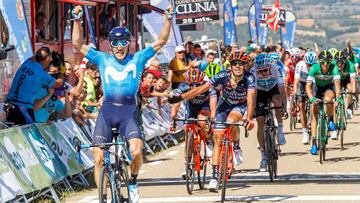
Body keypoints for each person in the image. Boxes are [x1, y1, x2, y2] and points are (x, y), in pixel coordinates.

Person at [71, 5, 173, 203]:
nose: (119, 46)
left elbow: (161, 41)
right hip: (107, 112)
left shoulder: (138, 58)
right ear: (110, 44)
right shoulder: (102, 58)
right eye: (115, 42)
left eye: (123, 42)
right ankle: (103, 196)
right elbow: (76, 44)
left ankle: (133, 181)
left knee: (136, 151)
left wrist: (168, 18)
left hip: (128, 112)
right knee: (98, 157)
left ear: (129, 43)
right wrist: (76, 19)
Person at [168, 51, 256, 191]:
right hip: (224, 104)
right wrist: (180, 97)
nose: (238, 66)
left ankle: (236, 146)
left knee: (232, 121)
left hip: (240, 105)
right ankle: (214, 178)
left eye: (241, 64)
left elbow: (251, 99)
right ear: (231, 66)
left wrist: (249, 118)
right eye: (235, 64)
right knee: (218, 137)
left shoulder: (249, 78)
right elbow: (201, 89)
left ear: (245, 66)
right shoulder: (222, 75)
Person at [5, 46, 62, 125]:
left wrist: (49, 54)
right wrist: (62, 72)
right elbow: (58, 84)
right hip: (23, 108)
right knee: (30, 133)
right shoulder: (42, 75)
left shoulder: (27, 63)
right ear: (48, 59)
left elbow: (37, 57)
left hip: (11, 106)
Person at [251, 53, 287, 172]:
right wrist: (253, 110)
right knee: (260, 121)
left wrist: (284, 107)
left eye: (265, 70)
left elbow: (282, 91)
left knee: (277, 101)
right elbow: (253, 93)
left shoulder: (276, 69)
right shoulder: (253, 71)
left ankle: (280, 131)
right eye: (260, 71)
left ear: (269, 66)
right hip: (260, 93)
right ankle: (263, 157)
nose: (263, 73)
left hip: (273, 89)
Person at [306, 50, 341, 155]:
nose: (325, 66)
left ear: (330, 62)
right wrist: (312, 98)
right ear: (319, 62)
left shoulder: (334, 68)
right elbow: (308, 86)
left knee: (328, 99)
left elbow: (337, 85)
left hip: (329, 88)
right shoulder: (314, 68)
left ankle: (330, 119)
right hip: (318, 89)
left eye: (327, 63)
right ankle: (313, 143)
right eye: (322, 63)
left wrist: (338, 99)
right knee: (313, 111)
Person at [293, 51, 317, 144]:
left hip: (313, 83)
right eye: (308, 64)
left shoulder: (317, 66)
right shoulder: (300, 65)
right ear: (305, 62)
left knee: (314, 105)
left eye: (312, 64)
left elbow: (315, 84)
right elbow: (296, 81)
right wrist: (295, 91)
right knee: (301, 107)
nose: (310, 66)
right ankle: (305, 133)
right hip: (302, 83)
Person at [334, 51, 356, 119]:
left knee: (351, 89)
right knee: (336, 91)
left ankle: (349, 108)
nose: (340, 65)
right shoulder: (333, 65)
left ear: (345, 61)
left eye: (341, 63)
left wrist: (353, 91)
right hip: (337, 80)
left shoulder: (351, 65)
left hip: (347, 80)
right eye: (338, 63)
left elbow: (353, 80)